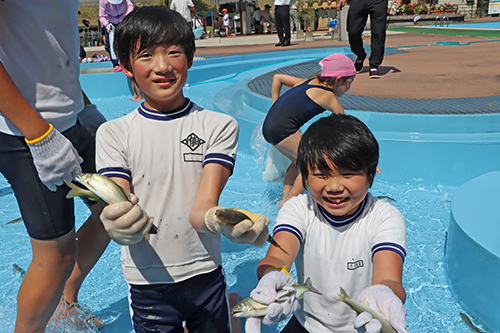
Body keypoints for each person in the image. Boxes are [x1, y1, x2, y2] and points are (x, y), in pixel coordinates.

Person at [96, 7, 270, 332]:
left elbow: (201, 209)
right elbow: (119, 200)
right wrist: (117, 222)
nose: (162, 67)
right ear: (126, 67)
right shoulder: (113, 133)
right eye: (146, 55)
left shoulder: (218, 125)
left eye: (173, 52)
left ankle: (228, 304)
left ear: (189, 59)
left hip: (204, 273)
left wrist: (229, 222)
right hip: (148, 282)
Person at [0, 1, 110, 332]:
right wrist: (40, 135)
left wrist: (84, 106)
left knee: (115, 210)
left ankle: (65, 302)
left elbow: (47, 45)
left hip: (73, 116)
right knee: (55, 257)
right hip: (25, 131)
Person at [246, 114, 409, 333]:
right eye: (321, 174)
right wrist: (271, 277)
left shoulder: (384, 216)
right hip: (307, 322)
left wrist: (385, 295)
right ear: (304, 177)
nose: (334, 187)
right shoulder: (299, 209)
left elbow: (389, 277)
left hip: (364, 325)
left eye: (348, 174)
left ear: (370, 176)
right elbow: (277, 256)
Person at [261, 53, 355, 205]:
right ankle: (290, 204)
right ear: (338, 80)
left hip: (269, 127)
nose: (349, 88)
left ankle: (285, 198)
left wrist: (274, 105)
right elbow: (345, 127)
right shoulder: (329, 97)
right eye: (349, 82)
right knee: (311, 163)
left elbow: (277, 78)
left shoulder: (309, 82)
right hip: (282, 130)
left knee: (298, 161)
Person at [337, 0, 402, 78]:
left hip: (379, 2)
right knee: (353, 31)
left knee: (379, 32)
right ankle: (360, 55)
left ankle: (374, 65)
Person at [99, 0, 134, 72]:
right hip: (110, 21)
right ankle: (115, 64)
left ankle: (126, 61)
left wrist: (128, 13)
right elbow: (102, 16)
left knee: (124, 41)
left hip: (122, 19)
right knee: (112, 42)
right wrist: (106, 24)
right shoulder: (103, 1)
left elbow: (130, 5)